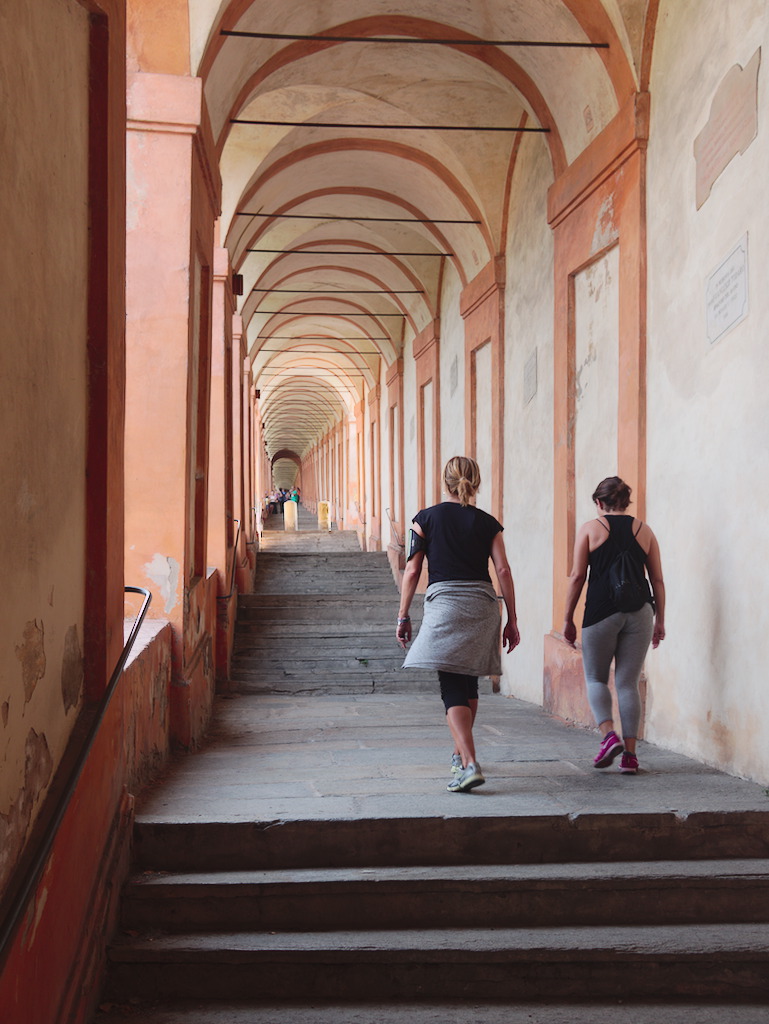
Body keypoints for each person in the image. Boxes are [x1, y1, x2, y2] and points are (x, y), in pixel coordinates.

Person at [396, 456, 520, 792]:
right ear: (475, 483)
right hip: (483, 605)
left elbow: (412, 570)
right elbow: (503, 571)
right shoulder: (488, 523)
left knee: (450, 684)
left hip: (446, 605)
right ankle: (459, 756)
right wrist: (512, 619)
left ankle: (470, 763)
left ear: (445, 482)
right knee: (468, 684)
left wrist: (403, 614)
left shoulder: (425, 519)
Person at [562, 476, 665, 774]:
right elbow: (657, 579)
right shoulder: (645, 531)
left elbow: (577, 577)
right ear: (626, 502)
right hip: (641, 611)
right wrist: (661, 619)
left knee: (595, 678)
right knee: (627, 683)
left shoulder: (590, 529)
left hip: (601, 612)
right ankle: (630, 756)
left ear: (598, 503)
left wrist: (568, 618)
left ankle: (609, 736)